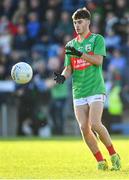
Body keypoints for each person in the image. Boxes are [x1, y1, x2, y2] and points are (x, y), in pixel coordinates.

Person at [53, 7, 121, 170]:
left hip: (96, 89)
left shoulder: (97, 39)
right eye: (75, 22)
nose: (77, 25)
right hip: (79, 91)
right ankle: (100, 161)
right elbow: (69, 67)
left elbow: (98, 61)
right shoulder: (70, 45)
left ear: (88, 22)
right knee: (84, 128)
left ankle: (113, 154)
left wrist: (80, 54)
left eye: (80, 22)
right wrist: (63, 76)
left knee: (95, 124)